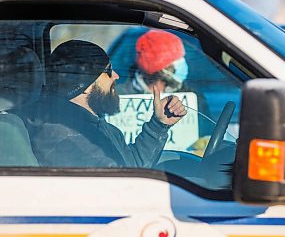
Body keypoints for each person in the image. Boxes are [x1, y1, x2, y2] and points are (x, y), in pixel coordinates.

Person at [27, 39, 187, 168]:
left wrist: (158, 125)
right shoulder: (65, 140)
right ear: (84, 84)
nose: (116, 76)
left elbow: (132, 164)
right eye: (108, 71)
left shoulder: (91, 124)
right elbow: (125, 184)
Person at [118, 29, 189, 94]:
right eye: (178, 60)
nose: (183, 64)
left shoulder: (187, 94)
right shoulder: (121, 95)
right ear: (163, 69)